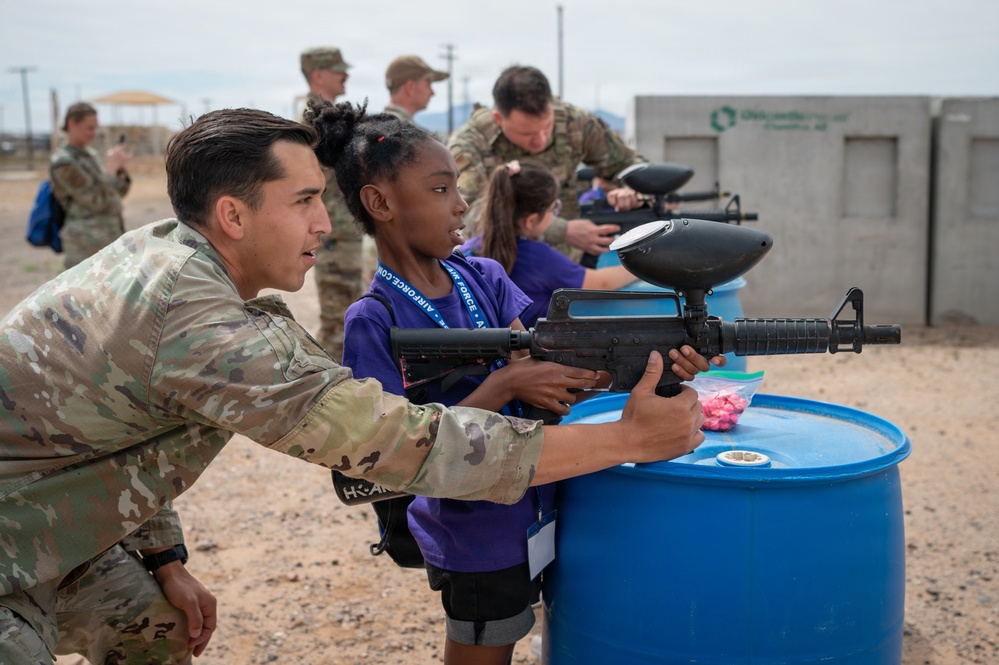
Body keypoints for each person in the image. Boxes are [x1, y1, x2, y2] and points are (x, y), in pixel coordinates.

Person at [1, 106, 708, 665]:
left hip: (46, 522)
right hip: (13, 542)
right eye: (304, 199)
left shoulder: (168, 257)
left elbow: (125, 427)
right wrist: (625, 438)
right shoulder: (201, 325)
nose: (323, 222)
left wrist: (162, 557)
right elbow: (392, 444)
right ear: (233, 215)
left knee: (153, 624)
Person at [305, 98, 716, 665]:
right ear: (380, 202)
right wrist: (501, 387)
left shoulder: (485, 276)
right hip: (475, 534)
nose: (462, 203)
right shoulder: (374, 319)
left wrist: (653, 365)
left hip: (544, 500)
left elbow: (550, 373)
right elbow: (385, 458)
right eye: (440, 189)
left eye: (456, 187)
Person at [448, 64, 646, 259]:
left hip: (564, 264)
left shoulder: (573, 122)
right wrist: (559, 230)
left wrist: (629, 189)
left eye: (547, 127)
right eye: (527, 133)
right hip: (499, 268)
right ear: (499, 119)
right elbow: (465, 218)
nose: (541, 140)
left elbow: (629, 164)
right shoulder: (470, 145)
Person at [460, 160, 639, 328]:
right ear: (531, 221)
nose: (555, 214)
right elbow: (602, 284)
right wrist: (641, 264)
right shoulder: (538, 258)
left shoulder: (471, 248)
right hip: (530, 354)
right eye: (554, 209)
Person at [299, 45, 363, 359]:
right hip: (335, 234)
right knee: (339, 321)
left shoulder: (329, 117)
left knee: (348, 314)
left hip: (343, 232)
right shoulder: (310, 123)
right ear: (319, 74)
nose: (346, 75)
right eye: (339, 69)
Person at [49, 101, 131, 269]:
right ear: (72, 124)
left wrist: (119, 173)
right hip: (84, 247)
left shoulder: (90, 155)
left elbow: (115, 194)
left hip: (108, 240)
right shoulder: (64, 163)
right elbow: (95, 201)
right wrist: (109, 171)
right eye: (89, 128)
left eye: (96, 128)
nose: (94, 133)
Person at [383, 54, 449, 124]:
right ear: (410, 87)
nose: (432, 93)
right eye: (428, 84)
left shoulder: (383, 125)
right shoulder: (401, 129)